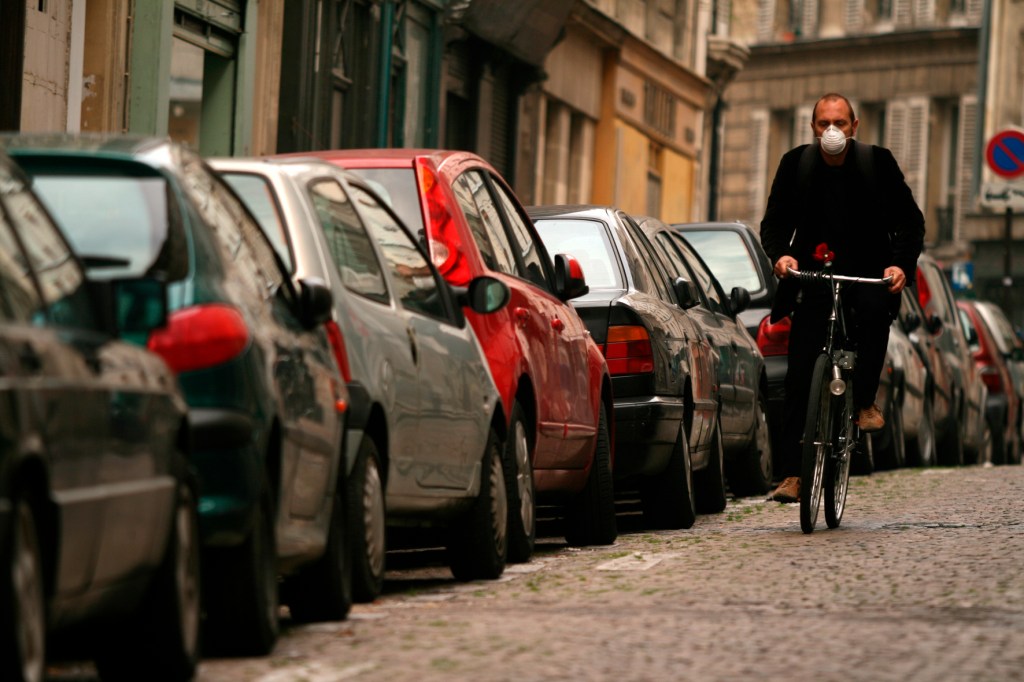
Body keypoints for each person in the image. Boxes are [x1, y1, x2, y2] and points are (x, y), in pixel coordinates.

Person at [760, 93, 925, 503]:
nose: (831, 130)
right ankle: (792, 475)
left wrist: (899, 265)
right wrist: (781, 254)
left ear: (854, 127)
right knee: (799, 374)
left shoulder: (876, 162)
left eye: (840, 122)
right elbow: (774, 222)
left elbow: (910, 222)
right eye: (823, 123)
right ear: (813, 128)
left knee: (873, 316)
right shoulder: (796, 164)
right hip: (814, 277)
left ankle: (864, 402)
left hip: (868, 273)